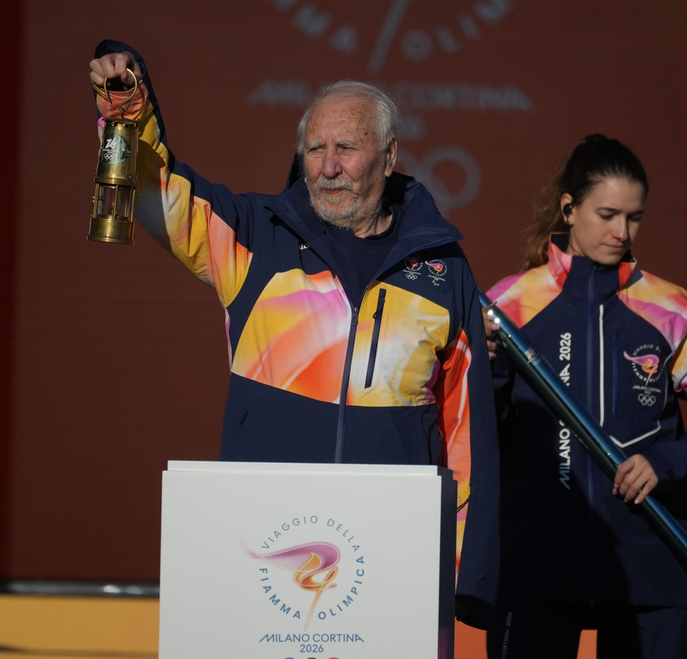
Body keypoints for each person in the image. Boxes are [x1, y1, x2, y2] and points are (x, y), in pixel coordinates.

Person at [88, 40, 499, 626]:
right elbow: (164, 199)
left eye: (347, 149)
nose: (328, 167)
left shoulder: (442, 269)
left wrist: (463, 570)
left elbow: (465, 429)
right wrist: (132, 112)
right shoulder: (257, 237)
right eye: (315, 149)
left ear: (389, 157)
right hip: (263, 546)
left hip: (392, 554)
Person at [481, 134, 687, 659]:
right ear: (569, 208)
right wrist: (488, 371)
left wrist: (664, 464)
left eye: (634, 218)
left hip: (649, 559)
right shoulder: (509, 305)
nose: (621, 233)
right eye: (607, 215)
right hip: (537, 556)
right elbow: (478, 428)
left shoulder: (673, 308)